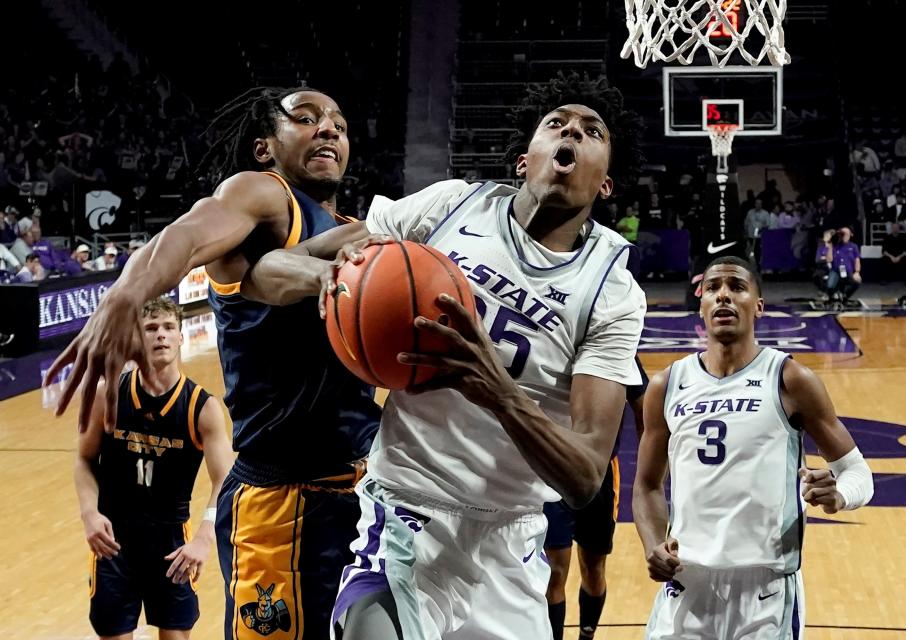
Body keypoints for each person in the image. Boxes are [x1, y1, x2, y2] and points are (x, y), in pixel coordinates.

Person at [241, 73, 647, 640]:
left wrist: (501, 393)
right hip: (406, 513)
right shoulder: (451, 207)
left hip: (510, 545)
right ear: (524, 161)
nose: (571, 134)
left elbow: (585, 476)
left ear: (605, 183)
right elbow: (261, 275)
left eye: (591, 132)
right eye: (556, 124)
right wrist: (328, 277)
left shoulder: (612, 290)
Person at [44, 86, 382, 638]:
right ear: (264, 148)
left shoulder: (351, 230)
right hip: (284, 498)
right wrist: (125, 296)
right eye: (307, 118)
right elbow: (185, 234)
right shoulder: (264, 194)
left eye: (340, 124)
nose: (330, 129)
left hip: (361, 489)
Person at [634, 256, 874, 639]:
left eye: (737, 287)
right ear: (701, 306)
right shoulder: (667, 385)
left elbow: (858, 472)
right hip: (686, 583)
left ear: (758, 306)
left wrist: (838, 495)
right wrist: (652, 544)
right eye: (713, 288)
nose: (723, 296)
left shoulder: (789, 379)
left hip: (765, 591)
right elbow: (646, 487)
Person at [74, 296, 234, 640]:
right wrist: (89, 512)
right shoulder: (109, 394)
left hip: (171, 541)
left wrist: (205, 537)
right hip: (114, 541)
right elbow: (84, 459)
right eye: (150, 328)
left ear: (181, 337)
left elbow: (225, 480)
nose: (160, 335)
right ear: (136, 339)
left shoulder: (201, 406)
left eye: (168, 327)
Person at [544, 356, 648, 640]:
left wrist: (649, 472)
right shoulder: (554, 341)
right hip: (553, 469)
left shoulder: (618, 344)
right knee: (554, 571)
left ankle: (586, 637)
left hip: (600, 472)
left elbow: (644, 411)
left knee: (593, 568)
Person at [829, 227, 862, 302]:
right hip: (836, 271)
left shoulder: (853, 246)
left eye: (846, 234)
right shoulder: (835, 246)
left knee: (856, 281)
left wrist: (857, 272)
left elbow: (857, 259)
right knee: (831, 283)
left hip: (847, 271)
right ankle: (833, 295)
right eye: (843, 234)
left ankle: (845, 295)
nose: (845, 236)